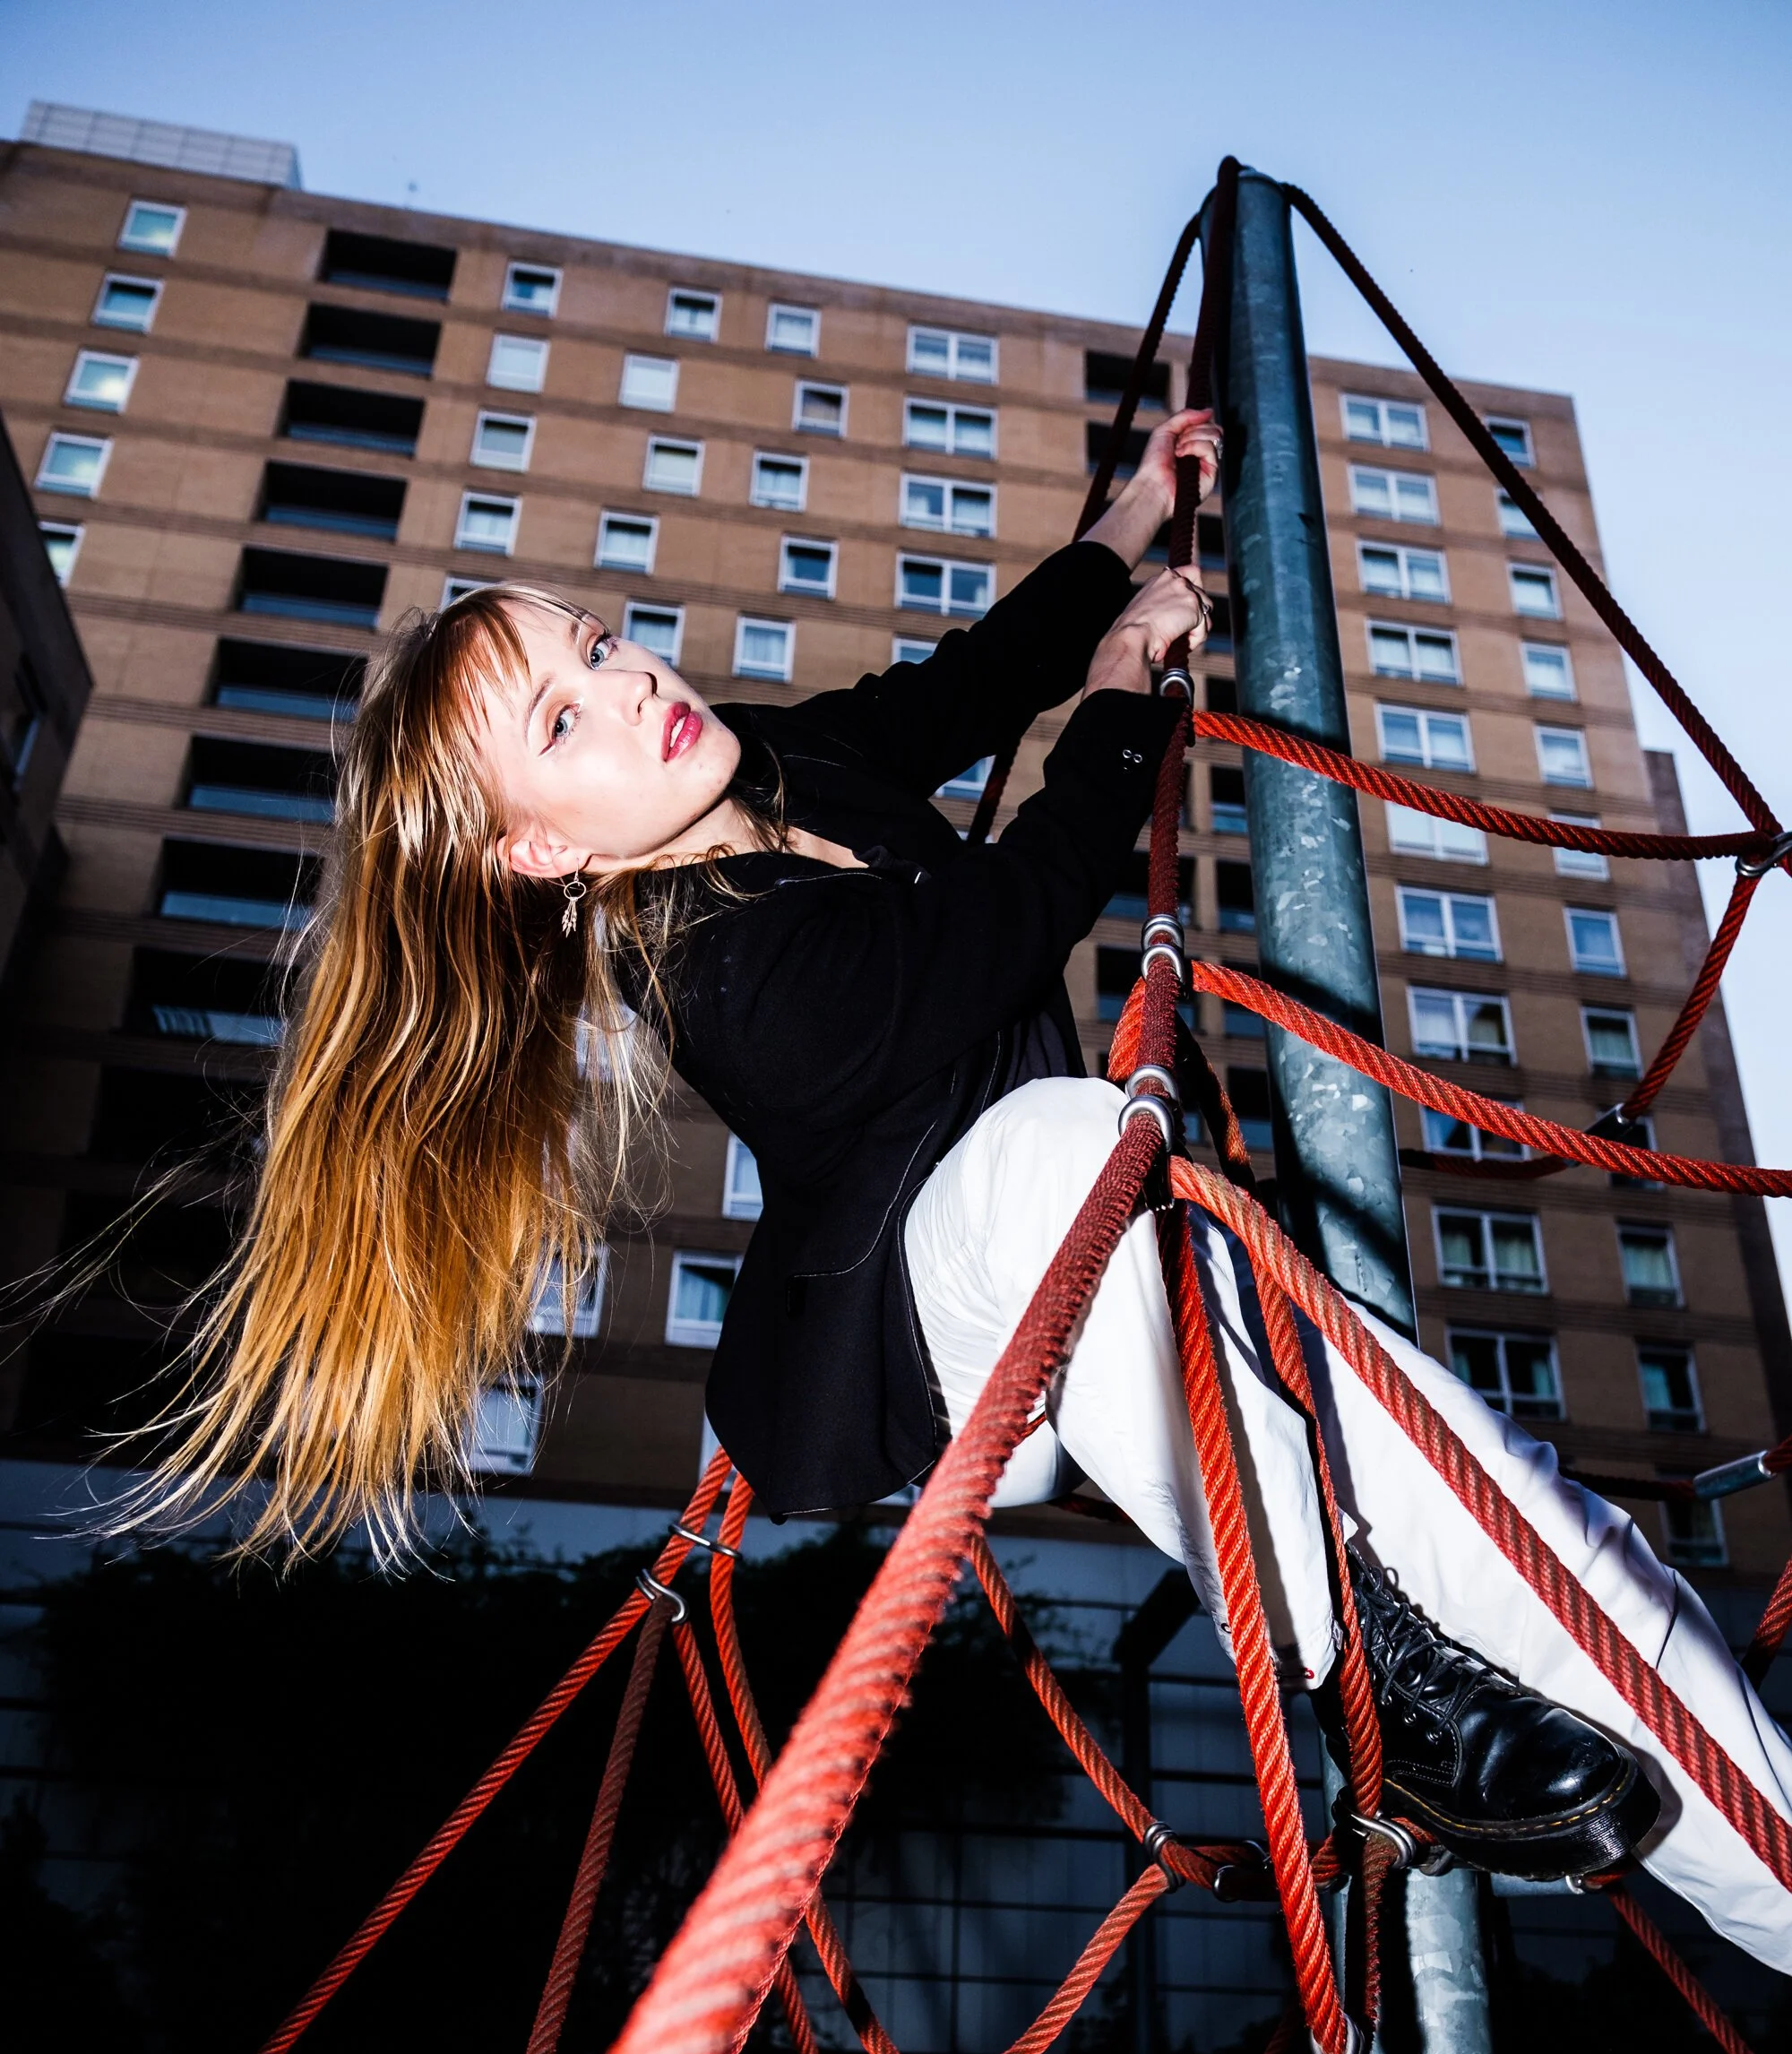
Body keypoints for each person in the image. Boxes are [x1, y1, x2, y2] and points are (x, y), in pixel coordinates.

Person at [144, 410, 1792, 1975]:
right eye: (562, 723)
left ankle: (1747, 1852)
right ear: (541, 853)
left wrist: (1131, 516)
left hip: (1109, 1259)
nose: (628, 680)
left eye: (595, 642)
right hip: (949, 1325)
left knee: (1498, 1502)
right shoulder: (720, 980)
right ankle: (1356, 1668)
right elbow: (1005, 916)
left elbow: (969, 683)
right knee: (1069, 1145)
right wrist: (1127, 691)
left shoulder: (768, 762)